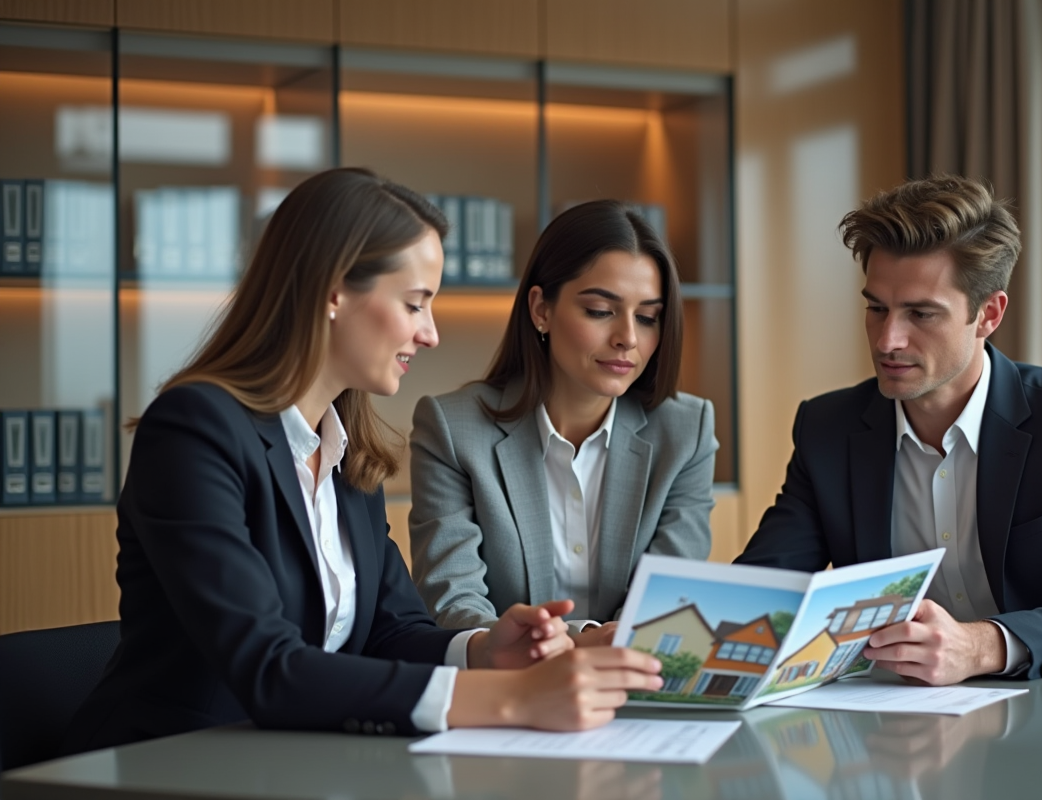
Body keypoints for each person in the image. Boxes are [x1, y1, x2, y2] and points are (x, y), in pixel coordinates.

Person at [64, 169, 663, 754]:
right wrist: (510, 699)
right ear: (333, 290)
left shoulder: (346, 450)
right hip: (174, 763)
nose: (429, 333)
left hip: (301, 761)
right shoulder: (194, 429)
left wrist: (484, 652)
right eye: (414, 303)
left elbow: (389, 631)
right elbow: (269, 667)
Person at [737, 174, 1042, 684]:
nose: (888, 339)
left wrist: (982, 646)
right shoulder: (827, 428)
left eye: (921, 313)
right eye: (876, 308)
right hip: (882, 726)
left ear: (988, 314)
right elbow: (761, 592)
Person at [409, 200, 718, 646]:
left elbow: (666, 606)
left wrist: (583, 642)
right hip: (508, 692)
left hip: (633, 686)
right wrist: (582, 641)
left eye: (648, 317)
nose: (628, 338)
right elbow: (454, 607)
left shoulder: (686, 432)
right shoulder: (453, 429)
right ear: (541, 310)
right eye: (600, 310)